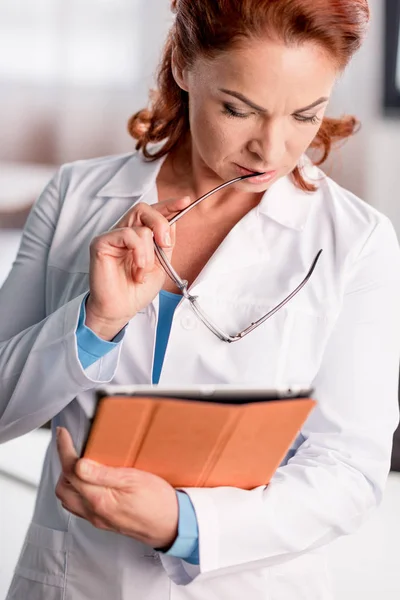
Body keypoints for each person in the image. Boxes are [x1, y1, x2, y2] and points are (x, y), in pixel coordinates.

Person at [1, 0, 399, 598]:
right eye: (240, 109)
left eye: (305, 115)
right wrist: (96, 321)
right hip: (74, 580)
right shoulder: (75, 197)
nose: (271, 149)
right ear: (184, 67)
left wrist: (185, 524)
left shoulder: (357, 242)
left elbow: (350, 471)